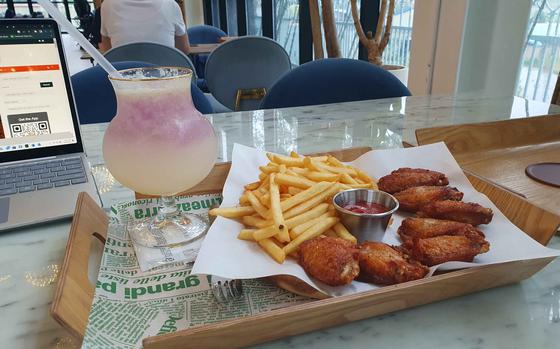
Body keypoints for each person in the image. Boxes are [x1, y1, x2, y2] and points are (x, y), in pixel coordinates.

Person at [99, 0, 190, 55]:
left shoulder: (107, 5)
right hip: (166, 81)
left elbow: (108, 52)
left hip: (123, 83)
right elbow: (184, 50)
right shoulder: (171, 4)